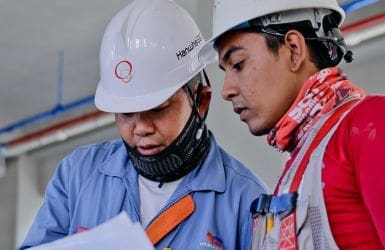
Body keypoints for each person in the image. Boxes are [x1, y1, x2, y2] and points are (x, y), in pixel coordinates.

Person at [19, 0, 268, 249]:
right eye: (126, 113)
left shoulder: (249, 203)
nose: (140, 128)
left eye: (158, 109)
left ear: (201, 101)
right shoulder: (77, 176)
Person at [198, 0, 385, 249]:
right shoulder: (300, 166)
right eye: (225, 71)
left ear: (294, 50)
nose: (227, 90)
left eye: (239, 64)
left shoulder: (370, 123)